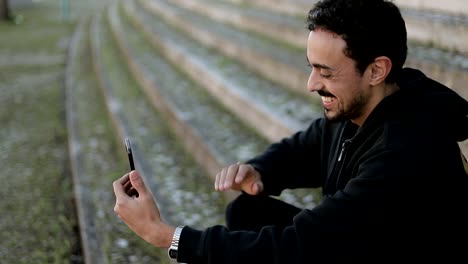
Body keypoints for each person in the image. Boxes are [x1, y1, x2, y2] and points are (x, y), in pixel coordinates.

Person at [112, 0, 468, 263]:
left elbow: (301, 243)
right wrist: (261, 171)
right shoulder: (364, 104)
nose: (312, 84)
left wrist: (166, 236)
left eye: (326, 73)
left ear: (376, 70)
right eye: (311, 67)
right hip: (359, 243)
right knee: (246, 214)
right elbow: (305, 147)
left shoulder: (406, 151)